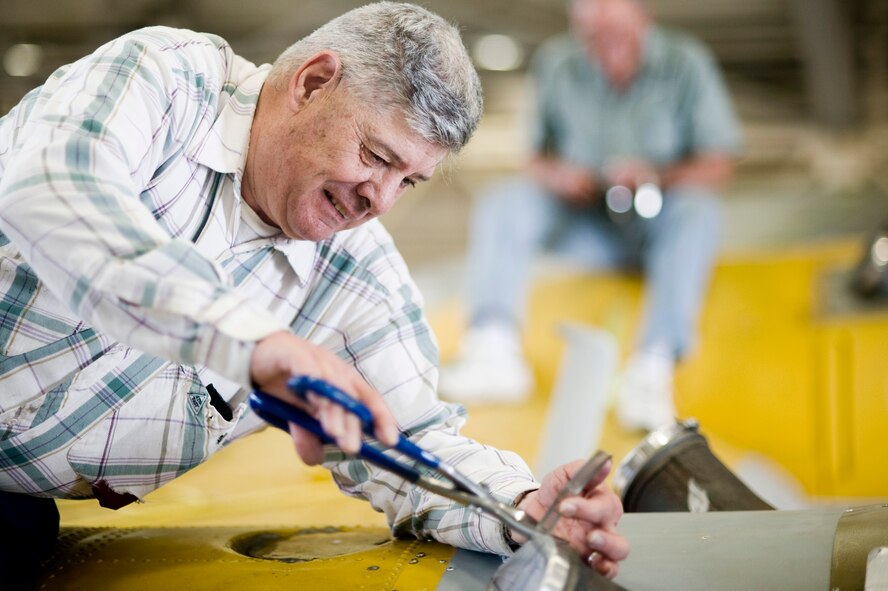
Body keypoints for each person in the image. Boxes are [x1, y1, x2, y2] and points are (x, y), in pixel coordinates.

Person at [0, 2, 628, 587]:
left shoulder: (356, 276)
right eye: (376, 156)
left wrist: (522, 509)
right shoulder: (167, 81)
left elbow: (410, 443)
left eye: (408, 181)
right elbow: (55, 189)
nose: (379, 200)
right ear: (311, 83)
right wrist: (253, 343)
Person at [438, 0, 741, 433]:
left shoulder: (686, 62)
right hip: (583, 221)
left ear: (644, 18)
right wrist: (560, 176)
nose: (606, 48)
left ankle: (651, 369)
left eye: (616, 33)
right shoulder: (558, 64)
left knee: (699, 210)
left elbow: (719, 161)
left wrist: (654, 174)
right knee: (505, 201)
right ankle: (493, 348)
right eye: (593, 36)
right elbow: (534, 157)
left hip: (656, 223)